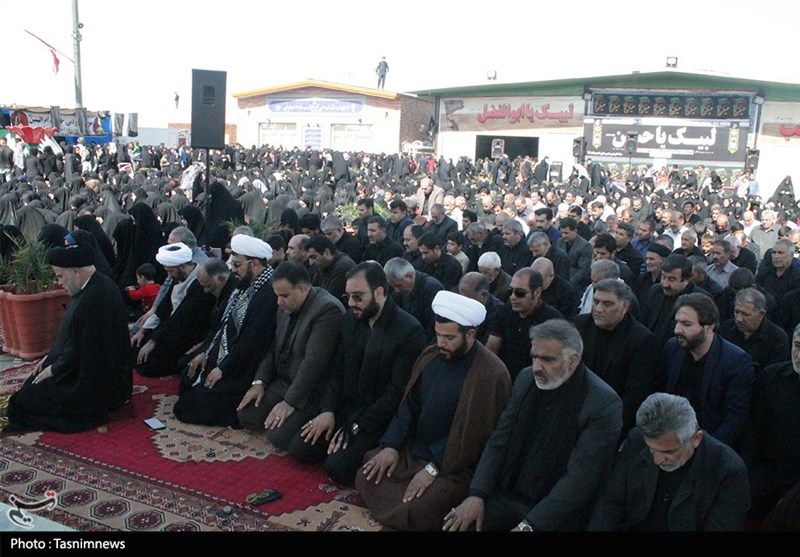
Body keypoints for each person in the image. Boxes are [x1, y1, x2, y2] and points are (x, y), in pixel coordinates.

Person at [443, 320, 622, 531]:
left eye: (547, 359)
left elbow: (580, 479)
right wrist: (477, 494)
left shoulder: (602, 404)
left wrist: (530, 526)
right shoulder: (526, 378)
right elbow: (500, 439)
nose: (537, 367)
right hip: (506, 492)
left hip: (554, 512)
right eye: (534, 357)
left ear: (573, 360)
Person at [355, 291, 511, 531]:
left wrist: (434, 467)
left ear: (470, 335)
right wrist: (392, 446)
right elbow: (410, 405)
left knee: (423, 507)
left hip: (455, 465)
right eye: (438, 335)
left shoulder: (491, 373)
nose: (440, 343)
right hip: (415, 451)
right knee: (368, 469)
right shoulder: (431, 356)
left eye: (449, 338)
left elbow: (475, 436)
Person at [299, 262, 427, 486]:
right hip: (347, 407)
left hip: (377, 417)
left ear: (379, 292)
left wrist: (357, 425)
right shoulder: (351, 319)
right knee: (301, 448)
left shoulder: (409, 331)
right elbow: (338, 370)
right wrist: (328, 410)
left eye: (358, 297)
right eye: (348, 296)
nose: (350, 303)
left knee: (338, 468)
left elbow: (396, 394)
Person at [5, 242, 132, 433]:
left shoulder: (95, 298)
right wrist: (50, 358)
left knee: (24, 403)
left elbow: (85, 350)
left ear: (75, 271)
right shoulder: (96, 284)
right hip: (84, 369)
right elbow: (74, 336)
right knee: (32, 386)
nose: (59, 283)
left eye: (60, 276)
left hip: (95, 384)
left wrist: (54, 368)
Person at [588, 393, 750, 531]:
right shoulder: (636, 440)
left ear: (696, 439)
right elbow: (611, 503)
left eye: (669, 452)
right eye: (651, 449)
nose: (656, 460)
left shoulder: (728, 470)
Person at [237, 261, 344, 456]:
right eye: (277, 295)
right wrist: (259, 383)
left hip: (310, 390)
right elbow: (273, 347)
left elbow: (313, 364)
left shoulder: (328, 310)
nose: (279, 301)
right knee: (246, 415)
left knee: (278, 436)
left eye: (284, 296)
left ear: (302, 288)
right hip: (283, 381)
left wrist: (290, 402)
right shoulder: (285, 305)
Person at [173, 235, 278, 426]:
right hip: (230, 356)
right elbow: (223, 325)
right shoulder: (245, 285)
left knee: (191, 406)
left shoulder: (268, 293)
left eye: (237, 265)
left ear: (254, 264)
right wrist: (206, 352)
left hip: (244, 367)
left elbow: (251, 342)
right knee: (187, 376)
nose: (233, 270)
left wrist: (223, 368)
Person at [660, 293, 755, 449]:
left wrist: (702, 450)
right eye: (677, 322)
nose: (677, 330)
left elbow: (735, 420)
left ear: (709, 327)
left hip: (710, 444)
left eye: (686, 324)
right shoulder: (673, 348)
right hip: (671, 437)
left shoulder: (735, 361)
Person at [574, 279, 658, 435]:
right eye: (596, 302)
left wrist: (612, 429)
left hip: (611, 421)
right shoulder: (579, 326)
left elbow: (634, 396)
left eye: (607, 304)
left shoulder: (642, 340)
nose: (598, 309)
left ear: (625, 306)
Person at [132, 243, 216, 377]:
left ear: (182, 267)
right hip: (169, 328)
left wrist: (154, 341)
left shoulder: (199, 284)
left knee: (149, 363)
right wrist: (144, 330)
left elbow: (182, 319)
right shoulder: (177, 277)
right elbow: (163, 308)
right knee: (136, 346)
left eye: (171, 271)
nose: (169, 275)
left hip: (185, 333)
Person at [747, 324, 800, 518]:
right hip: (768, 469)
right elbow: (754, 427)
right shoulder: (771, 377)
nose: (799, 355)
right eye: (797, 345)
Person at [486, 268, 563, 382]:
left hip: (534, 380)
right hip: (504, 378)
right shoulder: (503, 312)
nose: (512, 297)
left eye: (520, 293)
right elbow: (491, 350)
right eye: (510, 291)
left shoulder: (552, 320)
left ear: (537, 293)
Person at [718, 287, 790, 373]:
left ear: (761, 314)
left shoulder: (777, 339)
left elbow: (773, 375)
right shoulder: (724, 329)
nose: (739, 319)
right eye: (736, 312)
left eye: (745, 314)